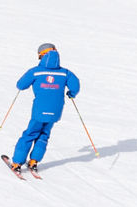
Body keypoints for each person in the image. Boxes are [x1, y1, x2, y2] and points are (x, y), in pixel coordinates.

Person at [9, 43, 82, 173]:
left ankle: (17, 163)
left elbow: (20, 85)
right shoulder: (65, 73)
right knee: (44, 134)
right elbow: (75, 86)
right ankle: (33, 161)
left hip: (39, 111)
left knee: (30, 134)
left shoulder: (36, 71)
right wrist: (71, 94)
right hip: (56, 111)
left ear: (42, 55)